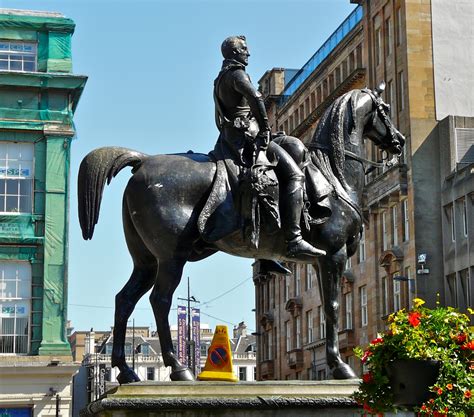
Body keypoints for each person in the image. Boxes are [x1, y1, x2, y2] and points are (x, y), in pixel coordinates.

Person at [212, 35, 325, 263]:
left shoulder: (219, 78)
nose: (248, 53)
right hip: (248, 137)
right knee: (294, 175)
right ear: (234, 52)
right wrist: (265, 129)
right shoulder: (237, 74)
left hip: (228, 138)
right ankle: (294, 238)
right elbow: (255, 98)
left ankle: (269, 254)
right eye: (244, 49)